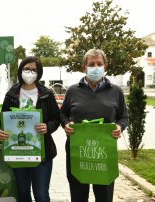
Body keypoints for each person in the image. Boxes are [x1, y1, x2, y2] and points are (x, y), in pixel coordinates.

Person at [60, 49, 129, 202]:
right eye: (91, 64)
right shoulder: (72, 90)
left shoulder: (116, 91)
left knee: (104, 196)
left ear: (105, 66)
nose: (96, 67)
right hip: (77, 151)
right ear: (84, 67)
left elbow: (124, 117)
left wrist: (119, 127)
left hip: (103, 152)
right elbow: (63, 114)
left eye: (99, 64)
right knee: (78, 195)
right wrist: (66, 124)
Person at [0, 56, 61, 202]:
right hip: (17, 152)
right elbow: (4, 120)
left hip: (41, 152)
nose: (30, 72)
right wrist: (1, 132)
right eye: (27, 69)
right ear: (21, 70)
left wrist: (48, 127)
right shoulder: (11, 94)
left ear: (39, 73)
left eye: (34, 70)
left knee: (41, 195)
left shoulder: (47, 94)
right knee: (23, 192)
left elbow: (56, 118)